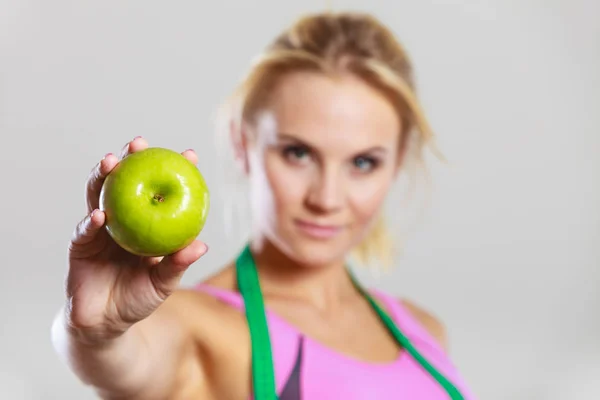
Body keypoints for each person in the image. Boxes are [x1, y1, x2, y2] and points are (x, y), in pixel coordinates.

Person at [51, 11, 476, 400]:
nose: (326, 199)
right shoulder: (199, 328)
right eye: (297, 153)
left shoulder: (423, 331)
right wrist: (97, 334)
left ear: (397, 162)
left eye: (363, 162)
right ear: (243, 144)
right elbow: (125, 363)